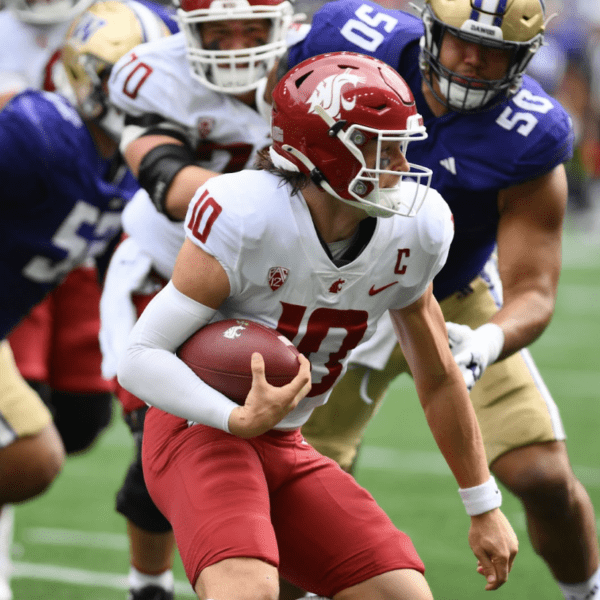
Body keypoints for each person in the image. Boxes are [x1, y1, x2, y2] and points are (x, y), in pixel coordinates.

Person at [117, 50, 518, 600]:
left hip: (287, 441)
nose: (398, 166)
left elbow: (439, 375)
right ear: (319, 150)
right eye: (379, 147)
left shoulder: (415, 229)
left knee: (404, 595)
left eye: (401, 145)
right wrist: (232, 416)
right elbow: (138, 357)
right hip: (200, 433)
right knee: (247, 592)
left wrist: (483, 506)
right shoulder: (246, 216)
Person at [261, 1, 600, 599]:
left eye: (493, 51)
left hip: (451, 293)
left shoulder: (531, 135)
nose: (472, 61)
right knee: (295, 502)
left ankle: (588, 592)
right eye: (460, 43)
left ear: (523, 59)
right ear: (428, 31)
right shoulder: (347, 42)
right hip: (335, 290)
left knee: (543, 476)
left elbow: (534, 291)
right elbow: (273, 121)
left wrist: (487, 339)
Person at [100, 1, 306, 598]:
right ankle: (149, 585)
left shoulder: (319, 60)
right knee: (160, 445)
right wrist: (290, 208)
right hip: (167, 268)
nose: (237, 44)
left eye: (252, 28)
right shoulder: (149, 73)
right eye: (219, 30)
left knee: (280, 445)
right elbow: (169, 183)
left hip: (272, 284)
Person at [0, 2, 171, 599]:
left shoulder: (127, 165)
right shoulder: (37, 133)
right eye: (122, 83)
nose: (139, 99)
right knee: (30, 453)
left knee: (38, 449)